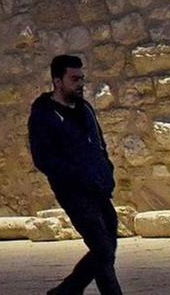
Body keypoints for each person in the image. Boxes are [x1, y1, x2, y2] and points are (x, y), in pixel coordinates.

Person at [30, 54, 123, 295]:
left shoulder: (85, 109)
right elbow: (43, 158)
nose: (80, 83)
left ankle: (66, 291)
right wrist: (72, 176)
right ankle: (68, 291)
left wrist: (106, 171)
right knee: (101, 247)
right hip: (73, 192)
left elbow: (99, 144)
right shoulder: (44, 114)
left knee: (106, 246)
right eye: (74, 79)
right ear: (58, 81)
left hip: (98, 187)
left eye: (82, 78)